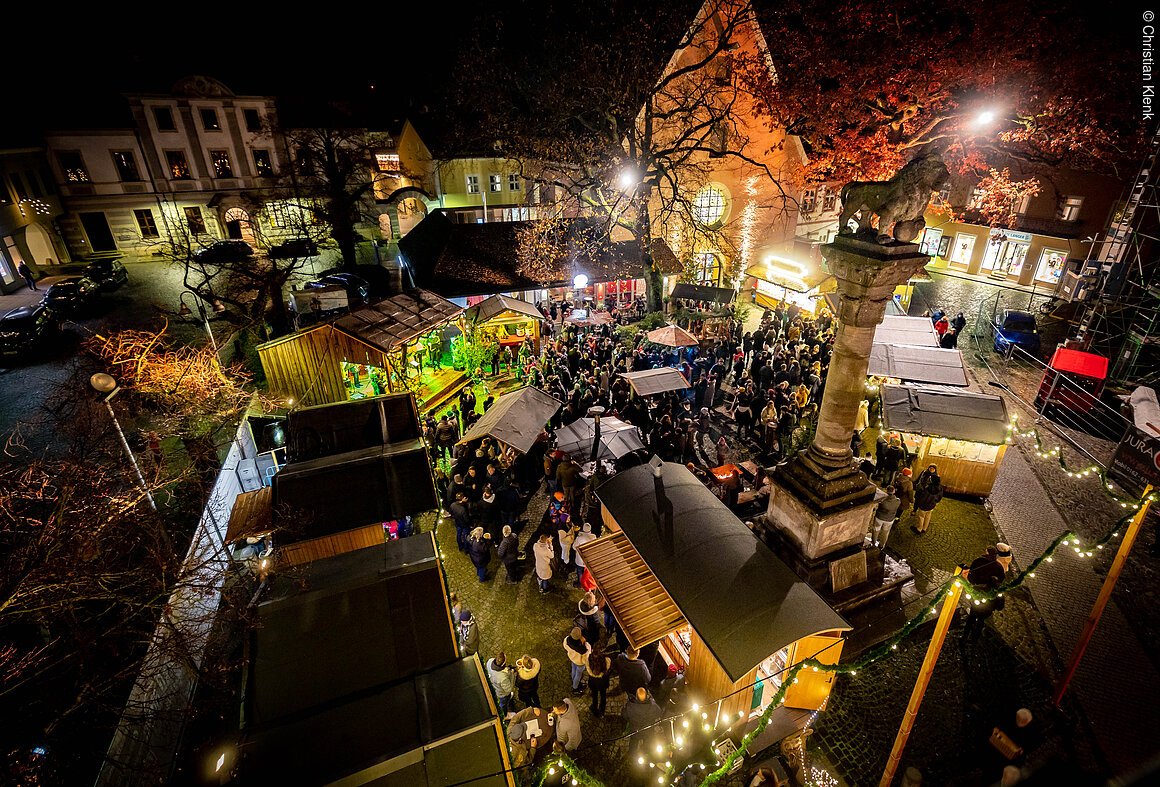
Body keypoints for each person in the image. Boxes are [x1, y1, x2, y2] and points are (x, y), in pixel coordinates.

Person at [962, 574, 1004, 643]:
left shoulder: (978, 589)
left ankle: (966, 636)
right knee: (979, 622)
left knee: (971, 621)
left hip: (976, 610)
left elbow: (971, 595)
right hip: (984, 612)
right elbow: (1000, 606)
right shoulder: (997, 593)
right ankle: (974, 638)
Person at [912, 464, 944, 534]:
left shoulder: (928, 488)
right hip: (932, 505)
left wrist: (920, 503)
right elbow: (939, 496)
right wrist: (935, 501)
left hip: (924, 505)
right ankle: (924, 528)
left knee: (921, 516)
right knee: (928, 516)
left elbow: (923, 497)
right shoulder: (940, 487)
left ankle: (919, 529)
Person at [563, 626, 591, 696]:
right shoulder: (582, 649)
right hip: (579, 662)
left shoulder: (567, 640)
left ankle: (573, 680)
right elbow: (586, 657)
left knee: (573, 669)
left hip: (572, 658)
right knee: (578, 674)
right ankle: (575, 687)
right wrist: (586, 644)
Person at [486, 651, 517, 716]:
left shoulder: (489, 661)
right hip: (502, 694)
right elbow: (508, 689)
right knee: (503, 704)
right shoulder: (502, 678)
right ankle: (505, 715)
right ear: (503, 663)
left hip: (495, 687)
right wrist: (513, 675)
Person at [586, 648, 612, 718]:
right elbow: (608, 667)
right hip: (603, 682)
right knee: (603, 695)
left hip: (593, 682)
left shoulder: (588, 661)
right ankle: (602, 712)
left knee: (595, 696)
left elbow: (588, 670)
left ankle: (595, 710)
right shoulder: (606, 660)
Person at [572, 522, 595, 586]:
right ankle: (587, 583)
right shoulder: (593, 537)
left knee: (580, 572)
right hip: (588, 560)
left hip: (580, 559)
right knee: (587, 573)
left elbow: (574, 547)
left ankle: (580, 583)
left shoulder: (579, 538)